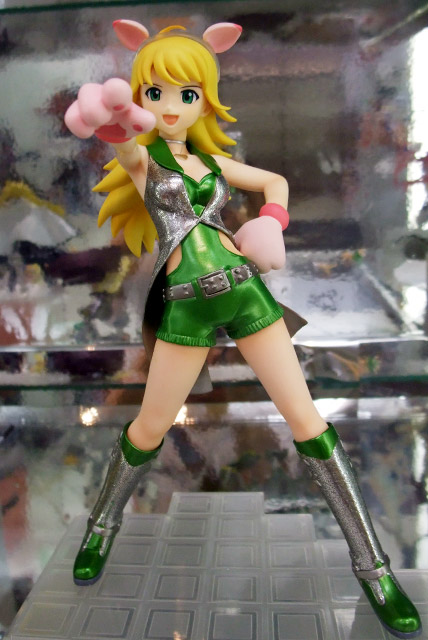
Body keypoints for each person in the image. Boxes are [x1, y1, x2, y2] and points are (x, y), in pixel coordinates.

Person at [64, 20, 421, 638]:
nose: (171, 106)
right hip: (185, 304)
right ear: (141, 96)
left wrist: (273, 220)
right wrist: (113, 121)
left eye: (186, 94)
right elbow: (124, 147)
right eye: (156, 92)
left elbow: (274, 182)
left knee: (308, 421)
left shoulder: (212, 162)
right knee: (150, 427)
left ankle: (375, 569)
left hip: (245, 291)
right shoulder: (146, 161)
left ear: (204, 99)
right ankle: (101, 528)